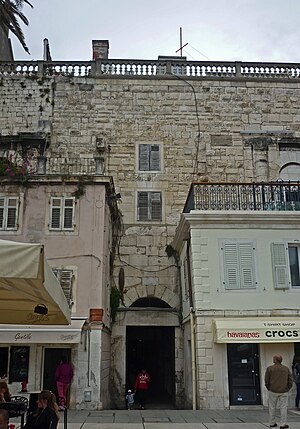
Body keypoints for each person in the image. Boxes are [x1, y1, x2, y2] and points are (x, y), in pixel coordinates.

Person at [265, 354, 293, 429]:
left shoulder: (270, 368)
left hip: (273, 390)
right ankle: (283, 424)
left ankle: (272, 422)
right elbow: (290, 380)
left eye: (274, 358)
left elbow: (266, 380)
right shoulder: (286, 369)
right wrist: (288, 388)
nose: (273, 359)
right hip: (284, 391)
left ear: (275, 360)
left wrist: (269, 388)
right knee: (283, 407)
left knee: (272, 407)